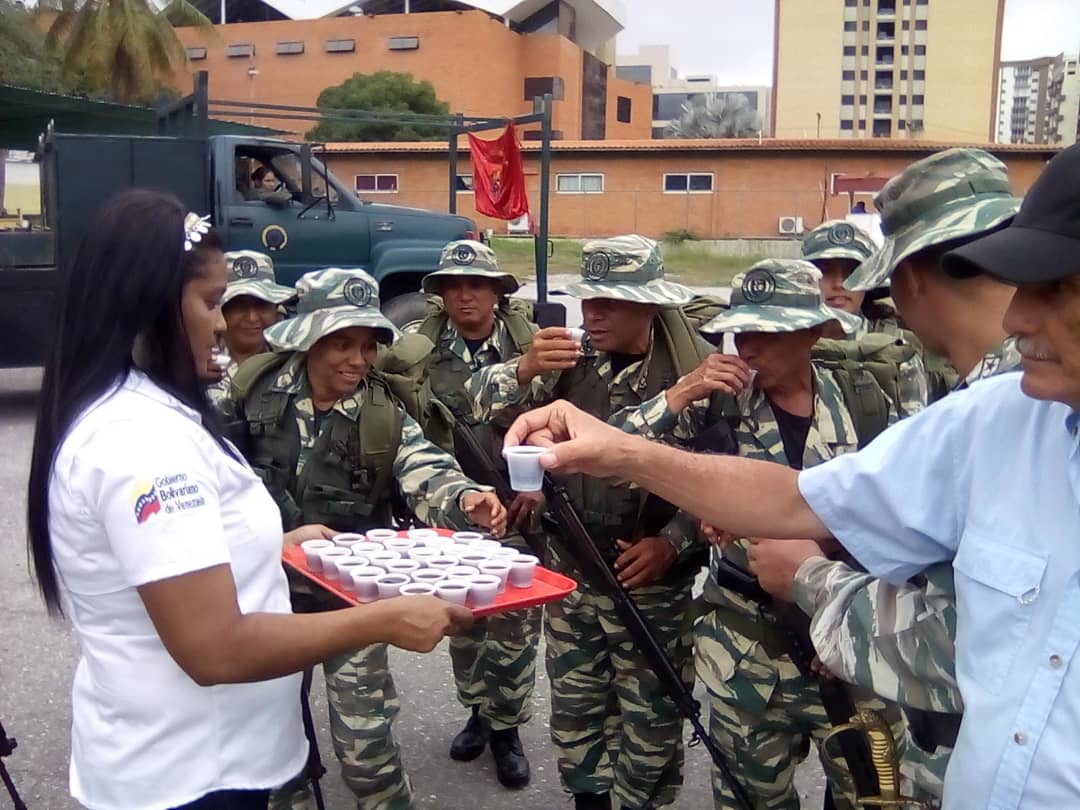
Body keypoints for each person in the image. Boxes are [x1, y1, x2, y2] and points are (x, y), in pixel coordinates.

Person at [502, 142, 1080, 810]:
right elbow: (790, 499)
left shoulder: (889, 398)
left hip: (852, 663)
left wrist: (819, 590)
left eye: (1051, 288)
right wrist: (636, 460)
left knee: (860, 786)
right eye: (743, 334)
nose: (1017, 318)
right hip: (744, 643)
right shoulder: (996, 413)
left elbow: (955, 621)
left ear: (819, 331)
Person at [24, 189, 473, 810]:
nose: (225, 324)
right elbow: (214, 648)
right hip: (191, 772)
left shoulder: (143, 415)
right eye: (212, 302)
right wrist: (386, 618)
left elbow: (177, 554)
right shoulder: (146, 441)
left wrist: (277, 544)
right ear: (153, 304)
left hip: (198, 753)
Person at [749, 148, 1024, 801]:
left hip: (985, 750)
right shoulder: (1023, 386)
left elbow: (973, 637)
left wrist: (814, 583)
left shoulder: (1005, 408)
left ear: (912, 281)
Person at [225, 266, 506, 810]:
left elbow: (425, 468)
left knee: (366, 746)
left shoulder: (382, 414)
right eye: (341, 344)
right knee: (271, 744)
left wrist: (465, 498)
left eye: (369, 345)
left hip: (351, 599)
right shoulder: (249, 394)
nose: (358, 359)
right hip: (265, 596)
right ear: (308, 339)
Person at [472, 235, 736, 810]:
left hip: (650, 579)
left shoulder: (699, 375)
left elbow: (727, 478)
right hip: (573, 564)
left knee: (651, 714)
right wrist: (523, 369)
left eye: (610, 302)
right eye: (589, 299)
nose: (593, 314)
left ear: (650, 305)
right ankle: (588, 799)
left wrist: (672, 542)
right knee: (577, 705)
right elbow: (479, 405)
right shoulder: (574, 358)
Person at [646, 259, 904, 810]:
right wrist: (681, 393)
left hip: (854, 646)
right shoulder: (719, 399)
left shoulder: (866, 403)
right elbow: (615, 453)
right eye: (742, 331)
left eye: (768, 331)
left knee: (871, 793)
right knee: (750, 799)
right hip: (748, 655)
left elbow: (909, 519)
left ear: (813, 332)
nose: (749, 347)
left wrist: (843, 615)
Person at [416, 239, 540, 789]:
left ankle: (507, 727)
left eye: (476, 285)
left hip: (520, 504)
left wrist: (538, 488)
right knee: (465, 621)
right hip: (453, 506)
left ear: (496, 292)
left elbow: (559, 419)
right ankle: (477, 711)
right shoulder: (417, 349)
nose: (464, 296)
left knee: (514, 622)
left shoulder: (529, 344)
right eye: (453, 286)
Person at [801, 219, 929, 419]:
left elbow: (914, 427)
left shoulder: (895, 350)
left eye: (853, 272)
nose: (839, 283)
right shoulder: (787, 343)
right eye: (825, 271)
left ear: (869, 280)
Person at [207, 250, 294, 406]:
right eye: (238, 305)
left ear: (276, 308)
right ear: (219, 308)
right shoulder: (198, 359)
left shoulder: (293, 361)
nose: (252, 317)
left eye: (261, 304)